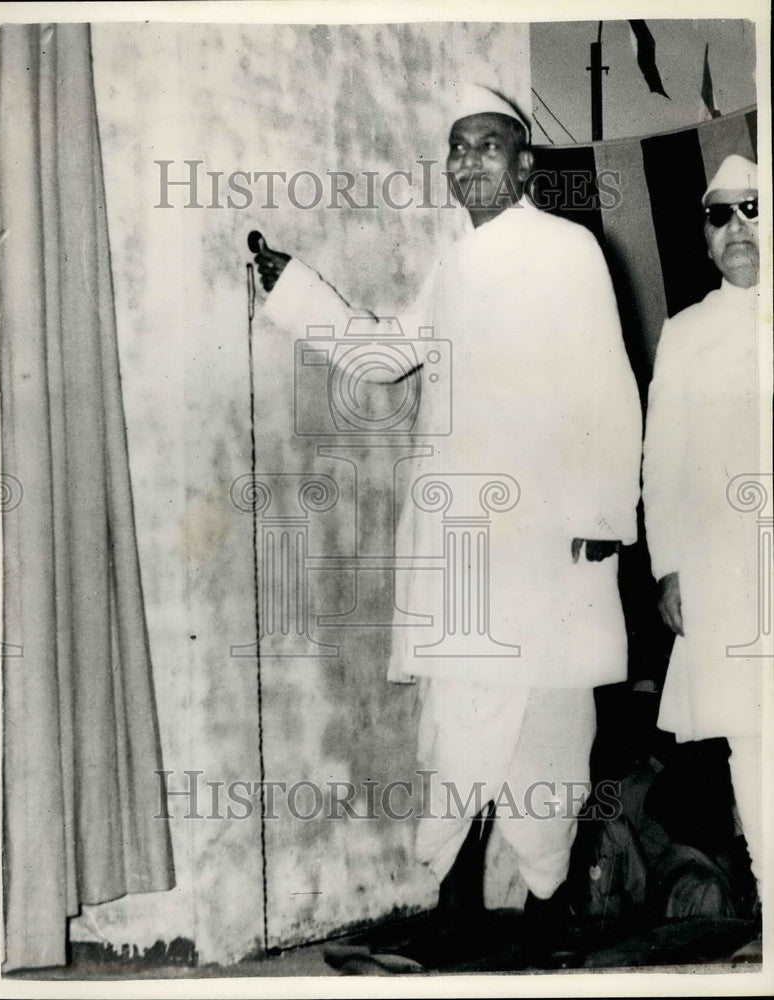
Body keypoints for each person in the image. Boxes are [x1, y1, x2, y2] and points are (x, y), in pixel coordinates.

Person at [253, 83, 642, 935]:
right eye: (458, 146)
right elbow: (389, 353)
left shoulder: (568, 249)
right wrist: (299, 295)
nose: (468, 160)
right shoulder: (452, 260)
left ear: (525, 163)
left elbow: (609, 387)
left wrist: (603, 518)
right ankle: (455, 904)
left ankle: (553, 906)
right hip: (462, 544)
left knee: (545, 718)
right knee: (458, 722)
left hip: (544, 537)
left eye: (488, 144)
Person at [642, 154, 765, 906]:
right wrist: (670, 566)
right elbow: (664, 461)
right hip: (727, 575)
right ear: (705, 236)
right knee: (750, 746)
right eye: (720, 215)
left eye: (753, 207)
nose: (738, 227)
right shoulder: (685, 335)